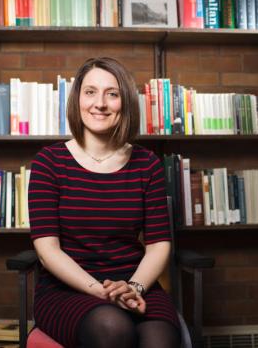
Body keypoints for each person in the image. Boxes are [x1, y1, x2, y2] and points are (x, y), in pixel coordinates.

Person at [28, 57, 181, 348]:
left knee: (160, 341)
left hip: (136, 282)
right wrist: (101, 292)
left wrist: (134, 287)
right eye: (90, 92)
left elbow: (159, 244)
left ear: (124, 103)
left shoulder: (146, 164)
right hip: (66, 288)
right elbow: (48, 251)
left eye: (112, 94)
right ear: (77, 100)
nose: (100, 103)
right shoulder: (49, 162)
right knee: (112, 327)